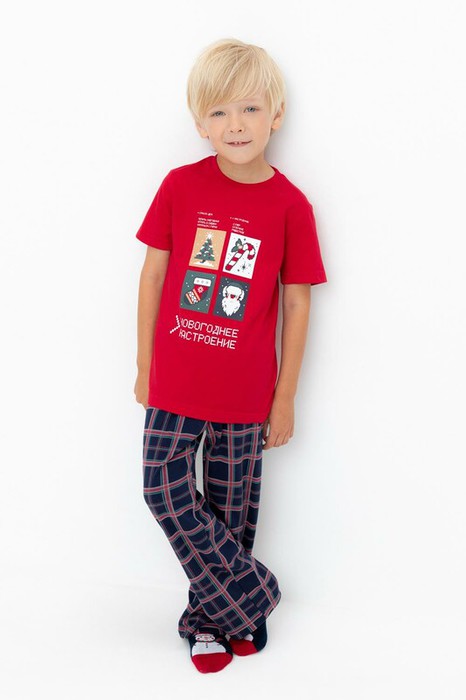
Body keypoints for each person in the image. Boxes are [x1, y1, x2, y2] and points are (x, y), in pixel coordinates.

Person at [133, 37, 327, 674]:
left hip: (246, 394)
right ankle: (254, 594)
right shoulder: (180, 185)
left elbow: (297, 303)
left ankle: (209, 623)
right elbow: (153, 277)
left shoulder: (290, 205)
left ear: (276, 115)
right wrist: (144, 366)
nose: (235, 124)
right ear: (199, 123)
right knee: (162, 490)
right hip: (175, 380)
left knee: (230, 510)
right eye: (218, 111)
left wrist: (285, 397)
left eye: (249, 109)